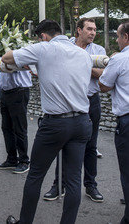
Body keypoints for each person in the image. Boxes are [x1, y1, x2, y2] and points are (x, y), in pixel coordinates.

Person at [3, 19, 92, 224]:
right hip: (81, 121)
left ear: (43, 35)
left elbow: (8, 58)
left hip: (56, 124)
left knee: (35, 175)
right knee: (73, 181)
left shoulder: (43, 48)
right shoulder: (82, 54)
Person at [43, 17, 105, 202]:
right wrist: (86, 63)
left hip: (91, 101)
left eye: (94, 29)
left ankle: (91, 185)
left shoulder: (99, 50)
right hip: (68, 102)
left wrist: (79, 60)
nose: (93, 33)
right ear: (78, 30)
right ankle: (58, 185)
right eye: (89, 29)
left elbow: (101, 75)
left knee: (91, 147)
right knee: (62, 145)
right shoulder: (66, 45)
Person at [99, 21, 129, 224]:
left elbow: (103, 85)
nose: (116, 40)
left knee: (127, 170)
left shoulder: (119, 59)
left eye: (118, 36)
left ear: (125, 37)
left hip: (127, 120)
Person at [0, 70, 32, 174]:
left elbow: (13, 67)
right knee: (6, 127)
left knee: (19, 127)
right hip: (6, 91)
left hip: (18, 91)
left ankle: (24, 161)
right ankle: (11, 158)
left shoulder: (17, 53)